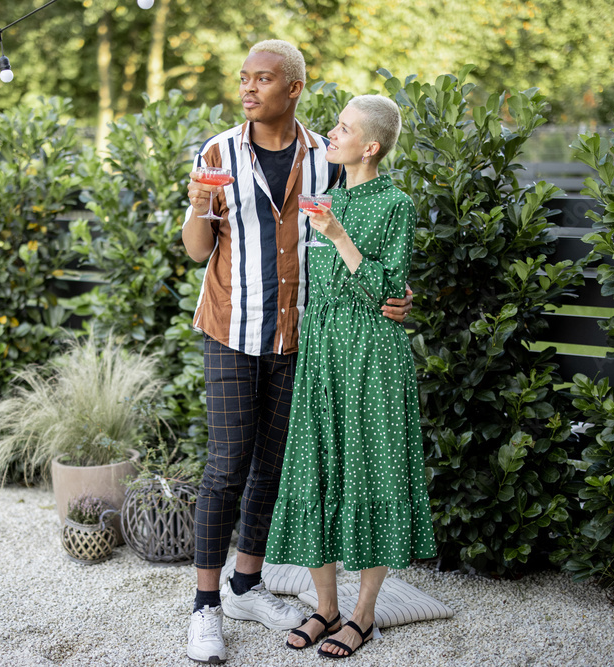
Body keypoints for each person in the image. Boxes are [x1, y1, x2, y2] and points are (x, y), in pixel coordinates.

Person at [181, 40, 413, 664]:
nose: (248, 89)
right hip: (232, 326)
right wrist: (201, 203)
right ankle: (205, 607)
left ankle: (247, 586)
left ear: (294, 89)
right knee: (227, 464)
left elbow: (356, 233)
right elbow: (197, 250)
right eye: (243, 78)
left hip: (305, 339)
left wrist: (397, 292)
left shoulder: (326, 159)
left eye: (263, 79)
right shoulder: (218, 152)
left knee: (274, 468)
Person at [263, 94, 436, 659]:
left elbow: (388, 289)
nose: (330, 133)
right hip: (322, 353)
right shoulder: (327, 195)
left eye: (343, 128)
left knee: (370, 471)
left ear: (370, 146)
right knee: (315, 467)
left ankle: (362, 615)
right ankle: (326, 607)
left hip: (371, 356)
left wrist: (338, 235)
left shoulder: (396, 206)